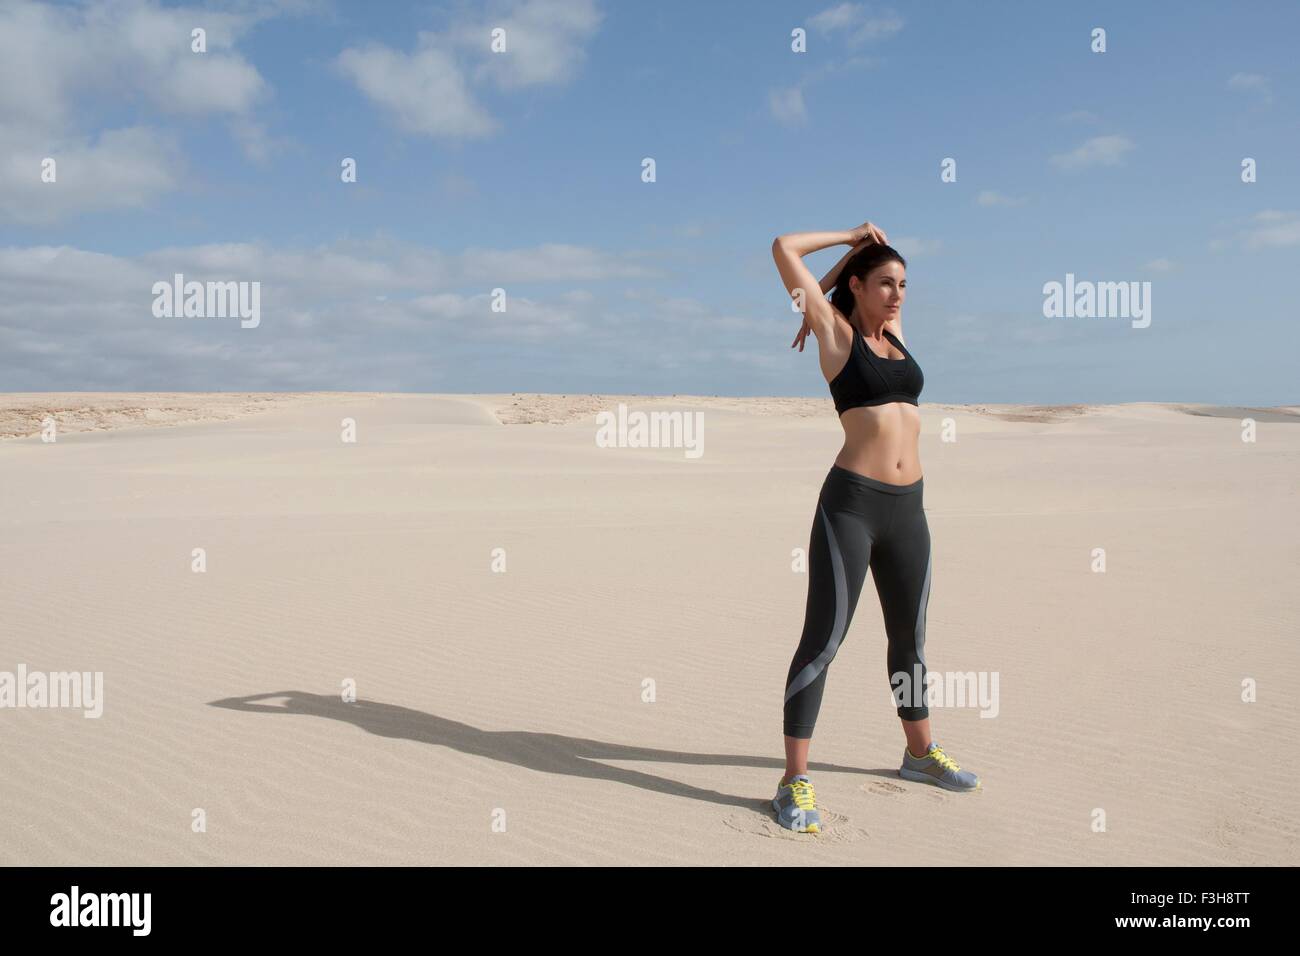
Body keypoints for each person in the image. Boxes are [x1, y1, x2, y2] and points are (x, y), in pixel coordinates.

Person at [768, 222, 981, 833]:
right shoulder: (837, 337)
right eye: (885, 283)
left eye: (904, 285)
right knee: (824, 640)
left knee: (910, 639)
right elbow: (784, 250)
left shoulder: (895, 339)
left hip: (909, 509)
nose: (897, 294)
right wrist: (849, 237)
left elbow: (845, 289)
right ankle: (793, 782)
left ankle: (919, 755)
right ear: (857, 288)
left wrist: (857, 263)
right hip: (852, 506)